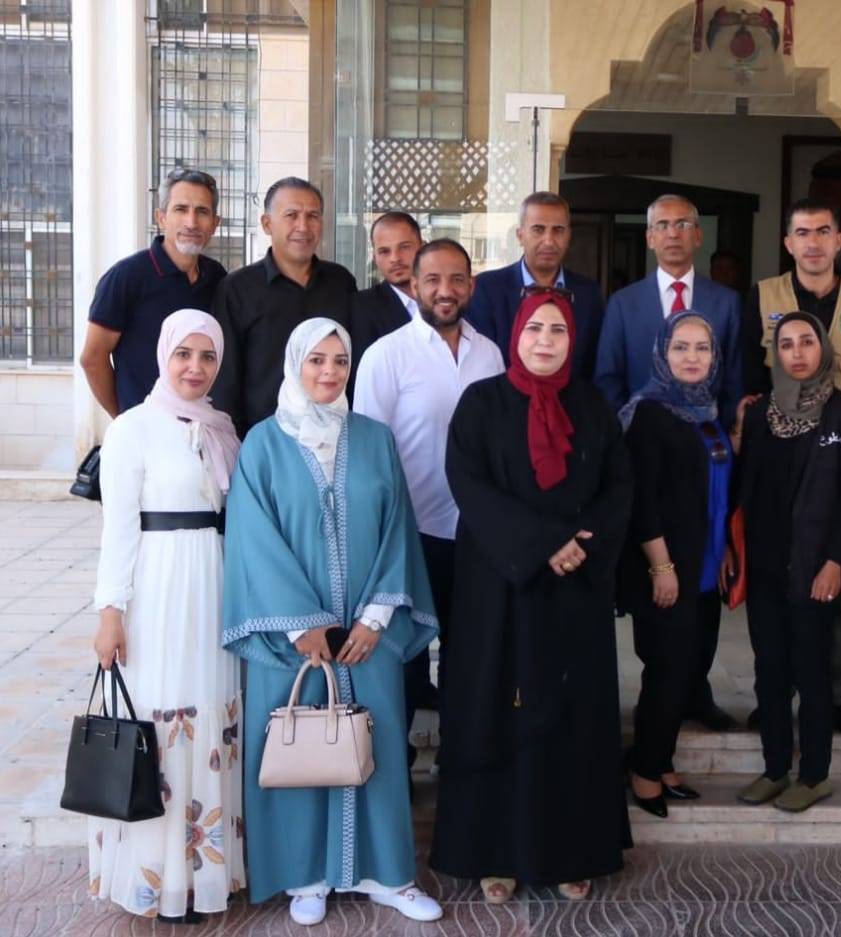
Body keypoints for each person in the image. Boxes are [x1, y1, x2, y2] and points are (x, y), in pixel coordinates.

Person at [221, 318, 441, 926]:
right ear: (295, 364)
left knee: (377, 743)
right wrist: (302, 625)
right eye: (316, 360)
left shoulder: (375, 439)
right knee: (300, 744)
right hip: (296, 641)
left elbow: (398, 527)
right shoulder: (262, 444)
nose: (329, 372)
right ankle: (307, 878)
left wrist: (376, 618)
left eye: (340, 361)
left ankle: (388, 876)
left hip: (369, 636)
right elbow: (252, 538)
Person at [430, 292, 633, 904]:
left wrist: (581, 547)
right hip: (499, 587)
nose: (545, 340)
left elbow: (618, 487)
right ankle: (494, 855)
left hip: (573, 591)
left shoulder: (593, 406)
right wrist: (544, 544)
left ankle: (571, 853)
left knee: (571, 720)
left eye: (558, 330)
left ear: (574, 340)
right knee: (497, 712)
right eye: (535, 328)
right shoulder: (482, 403)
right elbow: (468, 483)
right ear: (516, 335)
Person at [89, 308, 243, 922]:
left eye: (207, 357)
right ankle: (157, 881)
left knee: (208, 710)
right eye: (184, 354)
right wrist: (111, 611)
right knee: (160, 718)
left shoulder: (222, 427)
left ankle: (202, 877)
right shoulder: (132, 428)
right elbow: (118, 529)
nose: (195, 368)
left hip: (213, 584)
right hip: (156, 590)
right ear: (163, 356)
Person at [596, 192, 742, 731]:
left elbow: (734, 379)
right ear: (650, 236)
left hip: (709, 456)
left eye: (684, 224)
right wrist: (637, 431)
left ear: (698, 235)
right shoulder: (624, 303)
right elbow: (608, 377)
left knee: (704, 584)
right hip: (651, 457)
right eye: (663, 225)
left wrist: (725, 434)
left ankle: (696, 691)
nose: (674, 233)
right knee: (662, 601)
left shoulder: (727, 302)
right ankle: (660, 702)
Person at [742, 197, 841, 736]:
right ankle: (774, 694)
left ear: (839, 240)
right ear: (788, 243)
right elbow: (748, 375)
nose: (813, 242)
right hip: (779, 446)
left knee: (832, 575)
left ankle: (834, 697)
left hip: (840, 446)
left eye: (823, 231)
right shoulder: (764, 296)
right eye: (802, 233)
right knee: (779, 582)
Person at [354, 239, 504, 724]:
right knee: (403, 657)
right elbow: (367, 454)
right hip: (409, 532)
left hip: (476, 533)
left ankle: (460, 754)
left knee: (470, 652)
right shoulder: (386, 355)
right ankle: (396, 762)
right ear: (414, 286)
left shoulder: (490, 354)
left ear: (471, 286)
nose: (445, 290)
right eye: (433, 280)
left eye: (456, 279)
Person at [730, 312, 841, 814]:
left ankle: (814, 774)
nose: (796, 352)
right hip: (766, 563)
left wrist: (837, 562)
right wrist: (733, 550)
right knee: (769, 668)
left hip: (816, 566)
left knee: (813, 671)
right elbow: (744, 490)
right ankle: (775, 769)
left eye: (806, 341)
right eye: (786, 344)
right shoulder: (761, 413)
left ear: (823, 348)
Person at [619, 311, 730, 819]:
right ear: (662, 353)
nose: (691, 357)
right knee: (666, 669)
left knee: (688, 669)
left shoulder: (707, 410)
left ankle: (661, 762)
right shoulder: (648, 413)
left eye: (702, 348)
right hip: (665, 565)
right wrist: (661, 566)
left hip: (703, 562)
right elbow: (640, 499)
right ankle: (644, 771)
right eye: (680, 347)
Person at [211, 177, 356, 437]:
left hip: (333, 435)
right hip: (264, 439)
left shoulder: (341, 282)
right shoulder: (237, 289)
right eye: (291, 215)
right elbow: (225, 379)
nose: (303, 226)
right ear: (267, 224)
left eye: (313, 216)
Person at [81, 168, 226, 417]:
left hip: (199, 427)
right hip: (145, 430)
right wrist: (126, 419)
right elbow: (93, 358)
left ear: (214, 223)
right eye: (181, 209)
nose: (191, 222)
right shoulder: (126, 277)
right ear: (161, 218)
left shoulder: (216, 277)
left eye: (202, 211)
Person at [467, 191, 605, 379]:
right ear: (520, 235)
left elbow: (592, 364)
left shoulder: (589, 294)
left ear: (568, 236)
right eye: (538, 230)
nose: (548, 241)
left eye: (558, 230)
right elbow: (481, 362)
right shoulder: (487, 289)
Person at [347, 211, 422, 390]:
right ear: (375, 258)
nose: (395, 258)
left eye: (404, 247)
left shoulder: (445, 302)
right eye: (384, 251)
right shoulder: (360, 309)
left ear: (423, 248)